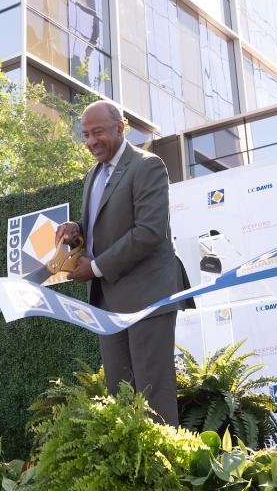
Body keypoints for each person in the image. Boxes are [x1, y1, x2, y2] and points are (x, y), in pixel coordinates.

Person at [54, 100, 193, 425]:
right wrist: (77, 231)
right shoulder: (92, 176)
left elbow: (149, 231)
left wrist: (97, 267)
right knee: (121, 397)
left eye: (98, 132)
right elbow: (103, 229)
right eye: (86, 135)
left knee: (151, 396)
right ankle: (129, 473)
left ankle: (162, 471)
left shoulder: (148, 165)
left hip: (147, 298)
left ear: (121, 128)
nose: (90, 142)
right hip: (107, 302)